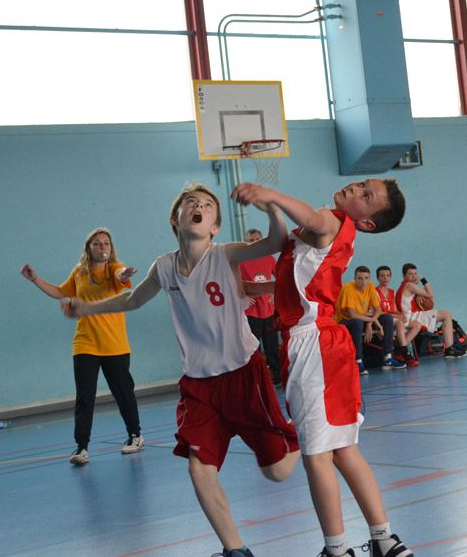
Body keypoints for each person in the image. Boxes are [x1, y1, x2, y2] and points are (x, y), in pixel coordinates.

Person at [63, 183, 299, 557]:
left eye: (206, 204)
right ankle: (235, 550)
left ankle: (306, 430)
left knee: (277, 471)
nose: (198, 206)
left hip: (243, 373)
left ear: (214, 226)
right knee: (199, 469)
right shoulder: (165, 267)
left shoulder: (226, 254)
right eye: (190, 202)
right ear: (175, 219)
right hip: (199, 385)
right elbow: (133, 300)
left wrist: (270, 204)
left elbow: (276, 242)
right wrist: (85, 308)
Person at [229, 179, 413, 557]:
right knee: (344, 449)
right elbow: (302, 283)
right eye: (362, 184)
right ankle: (384, 539)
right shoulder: (330, 232)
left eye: (366, 196)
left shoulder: (331, 221)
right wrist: (255, 288)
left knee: (316, 454)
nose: (356, 189)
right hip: (327, 343)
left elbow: (312, 218)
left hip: (315, 345)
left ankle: (337, 550)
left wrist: (271, 195)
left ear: (367, 222)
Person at [20, 227, 143, 466]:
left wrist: (125, 274)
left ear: (111, 248)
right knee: (84, 396)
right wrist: (35, 279)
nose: (102, 247)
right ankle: (82, 447)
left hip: (114, 344)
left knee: (123, 392)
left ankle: (135, 435)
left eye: (106, 243)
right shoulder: (79, 272)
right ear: (89, 248)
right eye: (97, 243)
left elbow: (121, 276)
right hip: (85, 343)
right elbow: (60, 291)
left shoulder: (115, 268)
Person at [335, 266, 405, 373]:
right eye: (360, 278)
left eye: (366, 278)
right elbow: (353, 315)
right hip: (344, 321)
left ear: (369, 278)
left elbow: (378, 309)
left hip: (363, 319)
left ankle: (388, 357)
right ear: (355, 278)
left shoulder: (370, 286)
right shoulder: (348, 288)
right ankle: (358, 361)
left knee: (387, 318)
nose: (363, 282)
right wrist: (371, 321)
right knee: (357, 322)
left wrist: (371, 322)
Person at [239, 227, 281, 385]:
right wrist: (242, 297)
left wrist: (275, 294)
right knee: (253, 351)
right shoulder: (240, 262)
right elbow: (231, 283)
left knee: (272, 348)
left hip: (268, 311)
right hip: (251, 313)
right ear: (246, 243)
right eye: (251, 241)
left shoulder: (269, 258)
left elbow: (282, 277)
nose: (255, 243)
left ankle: (277, 378)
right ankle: (256, 381)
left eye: (258, 240)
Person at [397, 263, 466, 359]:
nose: (414, 276)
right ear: (404, 276)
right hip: (412, 317)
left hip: (412, 315)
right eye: (410, 274)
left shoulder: (406, 286)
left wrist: (420, 294)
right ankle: (449, 349)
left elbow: (430, 300)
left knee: (446, 314)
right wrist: (423, 279)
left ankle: (449, 347)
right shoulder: (409, 285)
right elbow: (430, 294)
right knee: (446, 314)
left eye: (415, 274)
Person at [375, 265, 418, 367]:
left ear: (390, 277)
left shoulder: (392, 292)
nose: (385, 278)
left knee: (416, 324)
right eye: (382, 276)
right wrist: (397, 317)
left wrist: (401, 315)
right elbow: (377, 312)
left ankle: (399, 350)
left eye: (388, 275)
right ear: (377, 278)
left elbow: (395, 310)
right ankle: (405, 353)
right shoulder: (374, 292)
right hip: (381, 320)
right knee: (399, 323)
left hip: (392, 319)